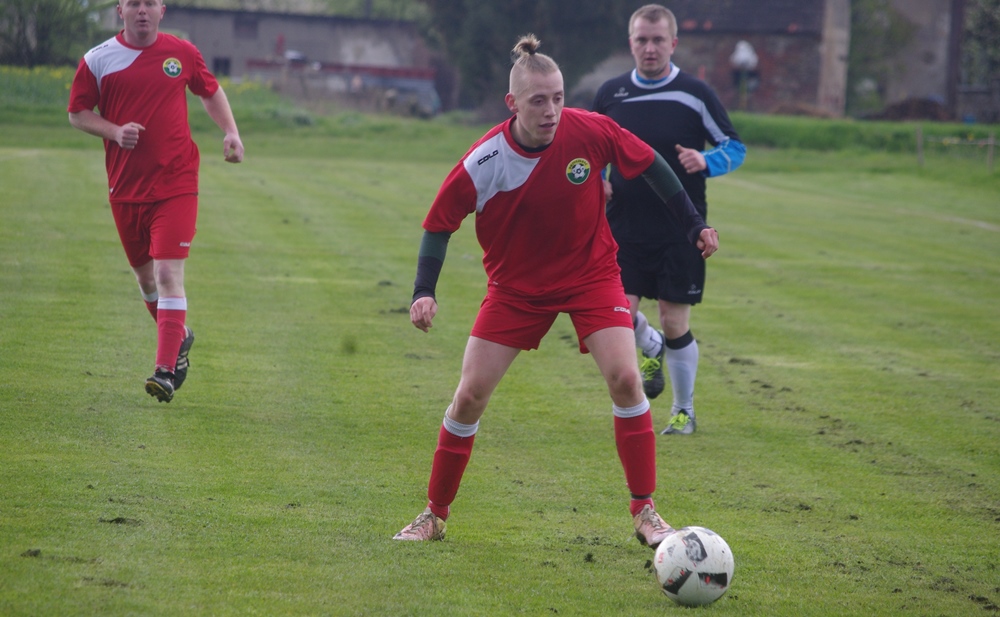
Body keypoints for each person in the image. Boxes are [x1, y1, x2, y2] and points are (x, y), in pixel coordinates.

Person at [393, 34, 718, 546]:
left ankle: (645, 511)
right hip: (515, 289)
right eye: (538, 101)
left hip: (592, 276)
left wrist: (694, 223)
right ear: (512, 103)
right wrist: (422, 291)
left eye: (559, 98)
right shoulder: (485, 160)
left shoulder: (590, 130)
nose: (551, 111)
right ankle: (433, 515)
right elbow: (439, 224)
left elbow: (652, 164)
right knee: (469, 396)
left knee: (626, 380)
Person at [68, 0, 244, 403]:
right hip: (126, 189)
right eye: (134, 3)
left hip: (176, 183)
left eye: (150, 3)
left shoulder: (182, 52)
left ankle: (164, 371)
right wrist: (114, 131)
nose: (142, 10)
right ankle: (179, 336)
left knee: (167, 274)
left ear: (162, 9)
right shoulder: (97, 60)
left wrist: (231, 132)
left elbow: (210, 91)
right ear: (120, 10)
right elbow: (77, 113)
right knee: (147, 281)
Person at [592, 4, 746, 435]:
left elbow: (735, 147)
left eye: (658, 40)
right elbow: (590, 148)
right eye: (642, 40)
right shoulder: (611, 94)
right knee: (616, 315)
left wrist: (706, 160)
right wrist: (598, 181)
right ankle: (650, 344)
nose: (650, 48)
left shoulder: (695, 93)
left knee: (674, 320)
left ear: (673, 43)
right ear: (631, 43)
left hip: (681, 227)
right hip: (623, 226)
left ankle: (683, 411)